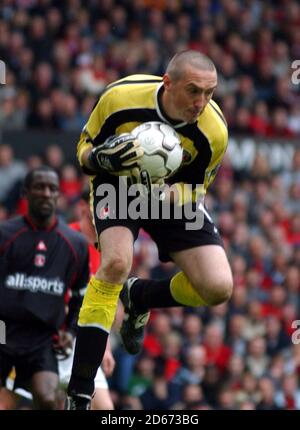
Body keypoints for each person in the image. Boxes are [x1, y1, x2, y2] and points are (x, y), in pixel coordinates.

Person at [67, 50, 233, 409]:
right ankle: (80, 390)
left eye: (210, 92)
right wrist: (99, 159)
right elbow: (83, 150)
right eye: (193, 91)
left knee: (218, 287)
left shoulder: (214, 132)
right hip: (118, 186)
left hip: (170, 198)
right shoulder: (120, 98)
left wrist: (169, 194)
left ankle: (141, 296)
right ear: (167, 82)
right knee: (114, 264)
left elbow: (197, 189)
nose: (201, 102)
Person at [0, 166, 89, 409]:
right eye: (40, 187)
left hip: (41, 339)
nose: (47, 193)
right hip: (2, 331)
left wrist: (70, 332)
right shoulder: (5, 234)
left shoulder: (75, 244)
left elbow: (80, 297)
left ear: (59, 195)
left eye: (52, 189)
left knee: (50, 399)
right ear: (25, 193)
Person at [58, 189, 115, 410]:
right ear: (83, 207)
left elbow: (104, 303)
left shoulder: (110, 249)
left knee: (105, 408)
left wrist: (106, 347)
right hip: (55, 335)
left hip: (84, 340)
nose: (105, 209)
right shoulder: (64, 239)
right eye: (99, 203)